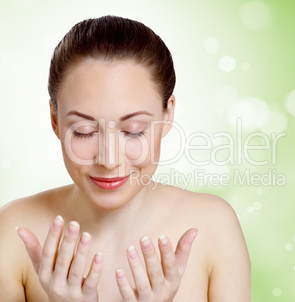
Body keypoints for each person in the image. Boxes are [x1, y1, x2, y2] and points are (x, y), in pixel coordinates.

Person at [0, 15, 250, 301]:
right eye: (83, 131)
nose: (109, 160)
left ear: (167, 114)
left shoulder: (213, 226)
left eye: (133, 131)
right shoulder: (14, 231)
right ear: (54, 120)